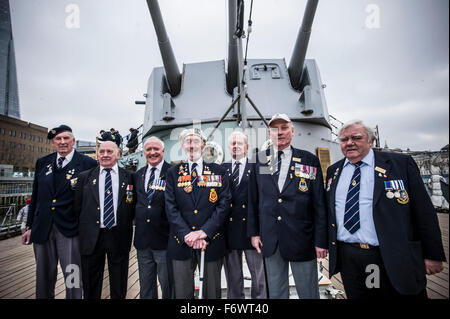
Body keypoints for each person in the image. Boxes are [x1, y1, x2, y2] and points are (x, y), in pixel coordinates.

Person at [326, 119, 446, 299]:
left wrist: (432, 254)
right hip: (351, 257)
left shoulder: (400, 165)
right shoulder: (334, 171)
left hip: (392, 253)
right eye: (344, 139)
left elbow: (423, 212)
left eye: (356, 138)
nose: (349, 143)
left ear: (371, 141)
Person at [247, 113, 328, 299]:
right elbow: (253, 200)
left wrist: (321, 240)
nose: (280, 132)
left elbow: (319, 204)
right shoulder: (260, 160)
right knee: (276, 293)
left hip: (302, 239)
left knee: (308, 292)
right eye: (275, 129)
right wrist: (254, 233)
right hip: (271, 238)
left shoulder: (309, 160)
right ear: (269, 133)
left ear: (292, 131)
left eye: (284, 128)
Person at [22, 124, 97, 299]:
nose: (62, 142)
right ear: (53, 143)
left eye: (66, 138)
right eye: (58, 139)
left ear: (73, 141)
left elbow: (91, 201)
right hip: (42, 228)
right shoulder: (43, 163)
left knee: (73, 275)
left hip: (70, 229)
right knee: (43, 277)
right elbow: (36, 197)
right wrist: (29, 226)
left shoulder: (88, 164)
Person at [165, 128, 231, 299]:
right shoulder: (173, 173)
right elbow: (171, 207)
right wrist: (187, 234)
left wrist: (204, 232)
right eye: (188, 141)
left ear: (203, 145)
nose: (191, 144)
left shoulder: (218, 171)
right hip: (181, 241)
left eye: (195, 141)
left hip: (210, 241)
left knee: (211, 293)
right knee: (182, 292)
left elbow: (223, 205)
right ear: (182, 145)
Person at [73, 141, 135, 299]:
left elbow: (133, 207)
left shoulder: (130, 177)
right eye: (102, 151)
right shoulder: (84, 177)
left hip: (118, 235)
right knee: (90, 282)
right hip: (92, 237)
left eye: (109, 151)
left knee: (119, 282)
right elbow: (78, 208)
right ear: (97, 154)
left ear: (118, 154)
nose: (105, 155)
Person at [222, 131, 267, 299]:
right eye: (233, 143)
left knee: (259, 276)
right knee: (233, 278)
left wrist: (259, 229)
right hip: (229, 230)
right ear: (229, 147)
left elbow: (262, 199)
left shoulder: (257, 168)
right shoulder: (222, 168)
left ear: (246, 148)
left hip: (252, 229)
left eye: (239, 143)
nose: (235, 146)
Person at [133, 137, 174, 299]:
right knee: (146, 286)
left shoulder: (173, 173)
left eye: (156, 149)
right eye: (148, 149)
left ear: (163, 151)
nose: (152, 152)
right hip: (143, 242)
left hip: (164, 240)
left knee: (168, 285)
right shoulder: (138, 175)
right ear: (144, 153)